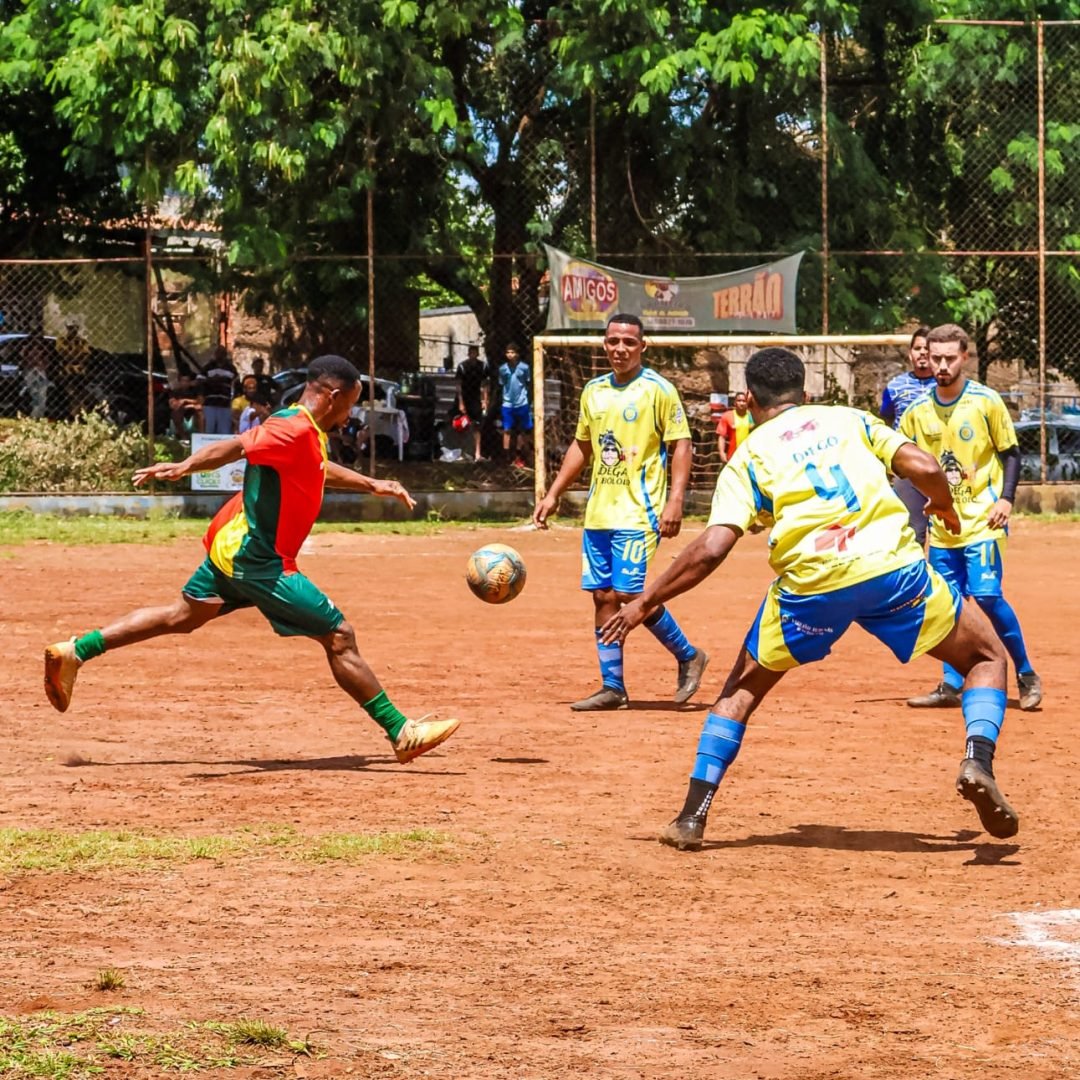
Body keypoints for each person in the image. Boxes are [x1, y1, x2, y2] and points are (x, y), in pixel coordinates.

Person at [599, 346, 1018, 852]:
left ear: (748, 398)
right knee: (986, 656)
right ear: (807, 393)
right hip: (890, 569)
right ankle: (977, 757)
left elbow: (711, 547)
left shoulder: (747, 458)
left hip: (810, 587)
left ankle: (692, 817)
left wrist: (644, 602)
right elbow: (924, 465)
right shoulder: (848, 419)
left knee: (740, 690)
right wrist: (944, 506)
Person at [43, 355, 460, 765]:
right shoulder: (292, 428)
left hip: (236, 546)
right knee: (339, 636)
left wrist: (372, 484)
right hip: (258, 559)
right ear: (333, 395)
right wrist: (187, 465)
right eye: (351, 403)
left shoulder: (302, 427)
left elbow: (316, 468)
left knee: (180, 616)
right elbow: (238, 445)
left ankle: (75, 651)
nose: (351, 413)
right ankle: (401, 732)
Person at [533, 312, 709, 711]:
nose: (620, 349)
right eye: (613, 341)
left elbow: (681, 444)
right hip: (599, 511)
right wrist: (554, 492)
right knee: (602, 596)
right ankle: (613, 686)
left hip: (640, 510)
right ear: (604, 344)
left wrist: (676, 500)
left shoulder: (658, 390)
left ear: (642, 346)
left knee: (629, 592)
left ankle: (688, 655)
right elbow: (582, 446)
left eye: (629, 342)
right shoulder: (593, 391)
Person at [900, 323, 1042, 712]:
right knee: (947, 603)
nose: (941, 365)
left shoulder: (986, 401)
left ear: (965, 357)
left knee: (986, 596)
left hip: (984, 520)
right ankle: (950, 682)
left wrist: (1007, 499)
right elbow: (907, 466)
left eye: (950, 358)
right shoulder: (916, 412)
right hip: (944, 526)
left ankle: (1026, 672)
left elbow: (1010, 453)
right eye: (935, 358)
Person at [879, 326, 935, 544]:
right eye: (918, 348)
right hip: (908, 468)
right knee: (912, 534)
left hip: (942, 464)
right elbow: (885, 420)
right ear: (910, 353)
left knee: (947, 533)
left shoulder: (945, 385)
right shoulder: (895, 386)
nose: (922, 353)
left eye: (927, 348)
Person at [498, 342, 533, 468]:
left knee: (522, 431)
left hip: (522, 402)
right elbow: (502, 384)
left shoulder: (524, 368)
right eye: (508, 352)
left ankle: (519, 456)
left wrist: (527, 399)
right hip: (508, 403)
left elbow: (527, 383)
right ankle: (506, 456)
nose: (510, 355)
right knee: (507, 430)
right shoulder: (503, 369)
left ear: (517, 354)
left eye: (512, 352)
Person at [456, 344, 490, 462]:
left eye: (475, 352)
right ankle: (462, 452)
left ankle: (477, 453)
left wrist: (485, 400)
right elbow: (459, 385)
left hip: (475, 398)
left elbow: (485, 384)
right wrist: (461, 402)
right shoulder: (462, 367)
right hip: (464, 398)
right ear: (468, 353)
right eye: (471, 352)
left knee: (477, 426)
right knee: (462, 425)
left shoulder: (483, 366)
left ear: (478, 354)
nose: (473, 355)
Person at [200, 344, 237, 434]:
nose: (220, 355)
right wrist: (212, 380)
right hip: (210, 403)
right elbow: (199, 380)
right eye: (218, 353)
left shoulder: (231, 368)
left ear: (225, 355)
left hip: (225, 404)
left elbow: (236, 383)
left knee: (224, 432)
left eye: (222, 353)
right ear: (215, 354)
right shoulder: (208, 367)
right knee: (209, 431)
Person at [715, 390, 753, 465]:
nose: (741, 403)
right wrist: (722, 452)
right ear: (735, 403)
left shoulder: (752, 417)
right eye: (739, 401)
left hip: (750, 457)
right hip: (732, 457)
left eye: (744, 401)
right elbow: (722, 436)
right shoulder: (728, 416)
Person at [21, 333, 52, 419]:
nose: (36, 341)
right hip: (30, 372)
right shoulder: (27, 349)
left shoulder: (44, 350)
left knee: (42, 394)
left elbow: (47, 361)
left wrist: (41, 366)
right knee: (34, 393)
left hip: (41, 372)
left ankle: (40, 414)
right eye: (34, 339)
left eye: (38, 339)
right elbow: (24, 361)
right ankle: (33, 414)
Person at [167, 371, 204, 437]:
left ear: (190, 382)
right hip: (181, 411)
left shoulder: (194, 390)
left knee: (200, 410)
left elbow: (200, 401)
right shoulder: (175, 392)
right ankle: (183, 437)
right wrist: (180, 405)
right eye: (183, 381)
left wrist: (185, 401)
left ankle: (201, 436)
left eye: (187, 381)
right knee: (175, 413)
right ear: (179, 381)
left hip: (193, 411)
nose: (185, 383)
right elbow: (172, 405)